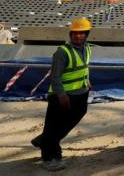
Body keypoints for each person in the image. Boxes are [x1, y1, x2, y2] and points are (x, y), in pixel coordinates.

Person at [31, 17, 93, 172]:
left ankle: (44, 140)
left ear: (87, 34)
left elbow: (83, 68)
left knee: (74, 117)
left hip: (81, 93)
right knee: (54, 126)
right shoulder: (62, 52)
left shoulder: (87, 49)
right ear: (71, 34)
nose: (78, 36)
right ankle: (50, 157)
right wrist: (61, 95)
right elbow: (55, 76)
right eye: (75, 33)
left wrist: (87, 81)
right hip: (62, 96)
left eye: (81, 33)